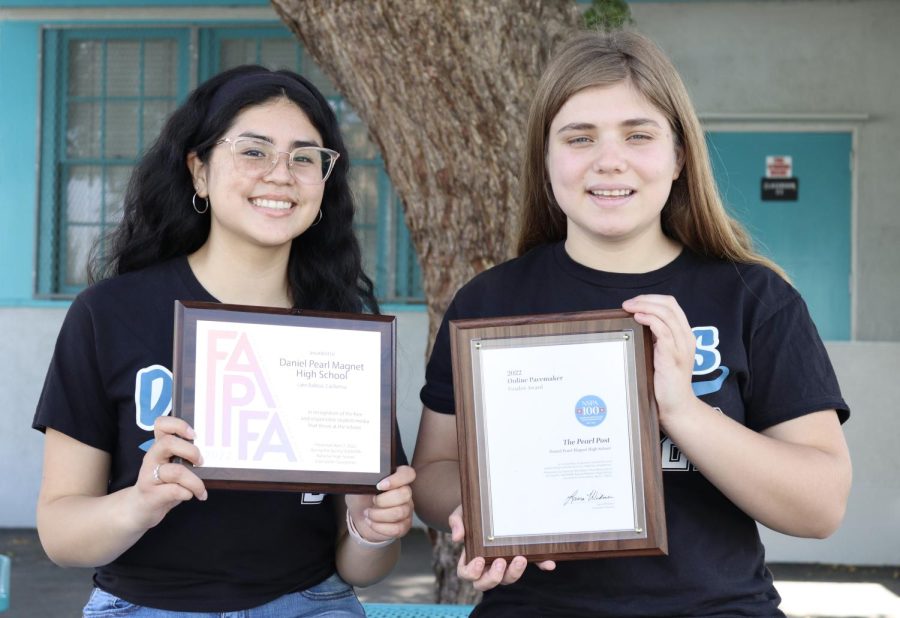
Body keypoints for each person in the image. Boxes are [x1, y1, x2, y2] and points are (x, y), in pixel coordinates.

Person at [412, 30, 851, 617]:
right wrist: (476, 507)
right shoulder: (490, 301)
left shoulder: (755, 297)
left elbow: (821, 507)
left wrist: (682, 411)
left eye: (638, 135)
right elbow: (433, 471)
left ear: (679, 156)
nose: (608, 159)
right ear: (546, 160)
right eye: (579, 137)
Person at [33, 65, 415, 617]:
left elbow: (363, 568)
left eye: (305, 157)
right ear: (200, 171)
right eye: (254, 151)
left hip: (311, 604)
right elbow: (60, 535)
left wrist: (373, 531)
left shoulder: (342, 333)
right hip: (143, 606)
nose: (281, 174)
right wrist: (140, 503)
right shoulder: (109, 314)